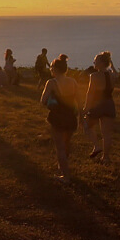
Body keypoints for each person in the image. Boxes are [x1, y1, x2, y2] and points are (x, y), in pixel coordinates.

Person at [40, 55, 79, 183]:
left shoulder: (51, 83)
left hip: (57, 118)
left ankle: (65, 175)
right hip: (71, 117)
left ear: (55, 69)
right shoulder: (73, 81)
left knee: (60, 147)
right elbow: (77, 100)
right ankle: (62, 166)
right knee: (67, 144)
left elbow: (43, 101)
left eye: (51, 67)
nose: (51, 70)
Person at [83, 51, 117, 165]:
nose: (94, 62)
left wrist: (86, 107)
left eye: (96, 60)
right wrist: (111, 64)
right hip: (109, 103)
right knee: (106, 134)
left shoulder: (94, 76)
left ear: (102, 63)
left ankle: (97, 146)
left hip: (97, 104)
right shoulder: (112, 75)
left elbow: (90, 93)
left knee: (87, 126)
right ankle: (106, 158)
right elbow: (116, 74)